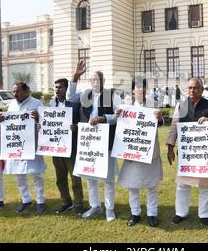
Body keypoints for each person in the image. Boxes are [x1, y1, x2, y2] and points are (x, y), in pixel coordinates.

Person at [67, 60, 121, 222]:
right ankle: (95, 206)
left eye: (97, 80)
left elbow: (120, 117)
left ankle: (109, 209)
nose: (94, 83)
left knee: (108, 178)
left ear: (103, 81)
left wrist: (103, 118)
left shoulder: (113, 95)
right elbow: (70, 97)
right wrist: (76, 75)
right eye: (92, 80)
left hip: (107, 143)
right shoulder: (85, 95)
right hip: (89, 143)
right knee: (90, 177)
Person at [166, 78, 208, 226]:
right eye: (190, 88)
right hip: (186, 153)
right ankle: (181, 213)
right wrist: (170, 148)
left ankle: (204, 214)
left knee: (205, 185)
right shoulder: (181, 106)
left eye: (196, 88)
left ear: (202, 90)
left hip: (204, 154)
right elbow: (174, 127)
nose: (192, 91)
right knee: (182, 185)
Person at [116, 77, 164, 228]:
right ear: (132, 90)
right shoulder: (125, 107)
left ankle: (152, 214)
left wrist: (161, 118)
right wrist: (118, 115)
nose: (140, 90)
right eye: (137, 87)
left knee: (152, 186)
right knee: (133, 185)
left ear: (146, 89)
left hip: (150, 152)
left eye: (143, 87)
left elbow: (161, 123)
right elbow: (120, 126)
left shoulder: (154, 105)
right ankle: (135, 213)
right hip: (132, 152)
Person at [0, 82, 46, 215]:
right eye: (14, 91)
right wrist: (1, 119)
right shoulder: (12, 105)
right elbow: (8, 123)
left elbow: (45, 122)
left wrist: (38, 118)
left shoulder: (37, 103)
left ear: (26, 91)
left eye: (18, 91)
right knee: (19, 174)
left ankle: (41, 201)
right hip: (16, 145)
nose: (15, 94)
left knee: (37, 174)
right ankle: (26, 200)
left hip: (32, 144)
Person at [49, 78, 84, 216]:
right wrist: (41, 126)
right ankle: (65, 201)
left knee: (75, 176)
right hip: (56, 146)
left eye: (60, 87)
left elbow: (83, 121)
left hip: (72, 146)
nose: (57, 90)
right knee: (60, 177)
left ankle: (79, 203)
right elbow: (47, 122)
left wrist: (77, 127)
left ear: (67, 88)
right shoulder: (52, 104)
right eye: (55, 88)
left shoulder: (75, 104)